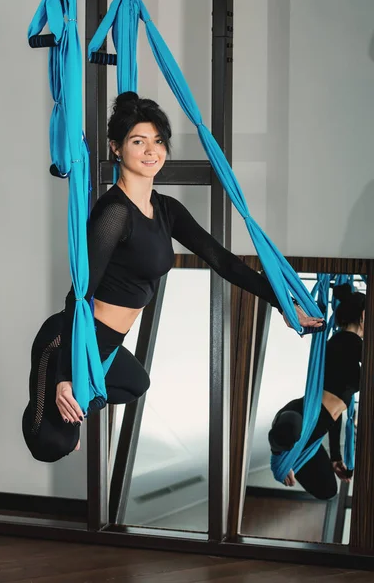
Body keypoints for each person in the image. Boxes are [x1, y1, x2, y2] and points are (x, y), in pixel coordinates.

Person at [22, 92, 323, 463]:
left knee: (135, 383)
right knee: (53, 446)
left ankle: (70, 410)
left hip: (107, 345)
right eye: (138, 141)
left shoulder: (166, 209)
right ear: (116, 149)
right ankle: (52, 393)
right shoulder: (114, 213)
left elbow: (224, 262)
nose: (152, 151)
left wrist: (281, 302)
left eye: (158, 141)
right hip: (66, 344)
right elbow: (79, 296)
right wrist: (66, 376)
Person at [268, 283, 364, 500]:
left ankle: (283, 454)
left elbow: (336, 412)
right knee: (290, 431)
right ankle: (281, 453)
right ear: (364, 316)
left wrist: (335, 456)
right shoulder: (347, 341)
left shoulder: (347, 343)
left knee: (328, 490)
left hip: (314, 423)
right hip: (301, 418)